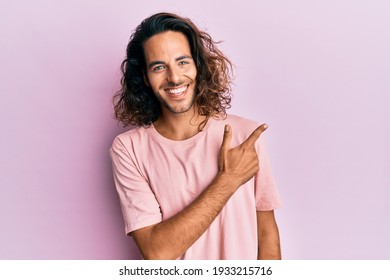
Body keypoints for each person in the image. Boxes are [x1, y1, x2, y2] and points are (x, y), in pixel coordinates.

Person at [109, 12, 282, 260]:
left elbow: (266, 232)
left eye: (182, 62)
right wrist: (229, 179)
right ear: (145, 78)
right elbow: (157, 253)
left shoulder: (246, 136)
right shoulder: (128, 149)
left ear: (198, 66)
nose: (175, 78)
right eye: (159, 67)